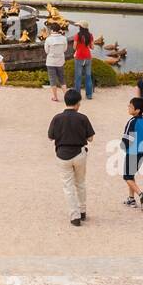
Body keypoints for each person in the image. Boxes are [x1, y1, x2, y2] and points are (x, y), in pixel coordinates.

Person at [48, 89, 96, 225]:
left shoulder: (57, 118)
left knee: (68, 186)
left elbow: (50, 137)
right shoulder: (82, 118)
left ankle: (74, 216)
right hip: (79, 153)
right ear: (78, 104)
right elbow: (91, 138)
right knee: (80, 183)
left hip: (63, 155)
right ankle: (82, 211)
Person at [121, 97, 143, 211]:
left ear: (137, 110)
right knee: (131, 174)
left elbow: (127, 137)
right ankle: (131, 199)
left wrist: (123, 146)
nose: (128, 108)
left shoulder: (132, 121)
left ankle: (141, 194)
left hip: (132, 151)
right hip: (142, 152)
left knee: (127, 176)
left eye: (130, 106)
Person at [43, 23, 68, 102]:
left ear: (51, 30)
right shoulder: (64, 38)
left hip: (51, 61)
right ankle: (66, 96)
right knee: (62, 79)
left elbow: (46, 51)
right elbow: (65, 49)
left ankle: (55, 97)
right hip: (60, 61)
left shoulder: (48, 39)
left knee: (52, 79)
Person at [72, 22, 94, 99]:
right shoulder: (90, 35)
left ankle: (78, 95)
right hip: (88, 57)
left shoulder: (77, 35)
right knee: (88, 77)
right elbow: (92, 47)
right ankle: (89, 95)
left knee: (78, 77)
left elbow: (74, 47)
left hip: (79, 57)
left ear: (81, 27)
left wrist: (79, 47)